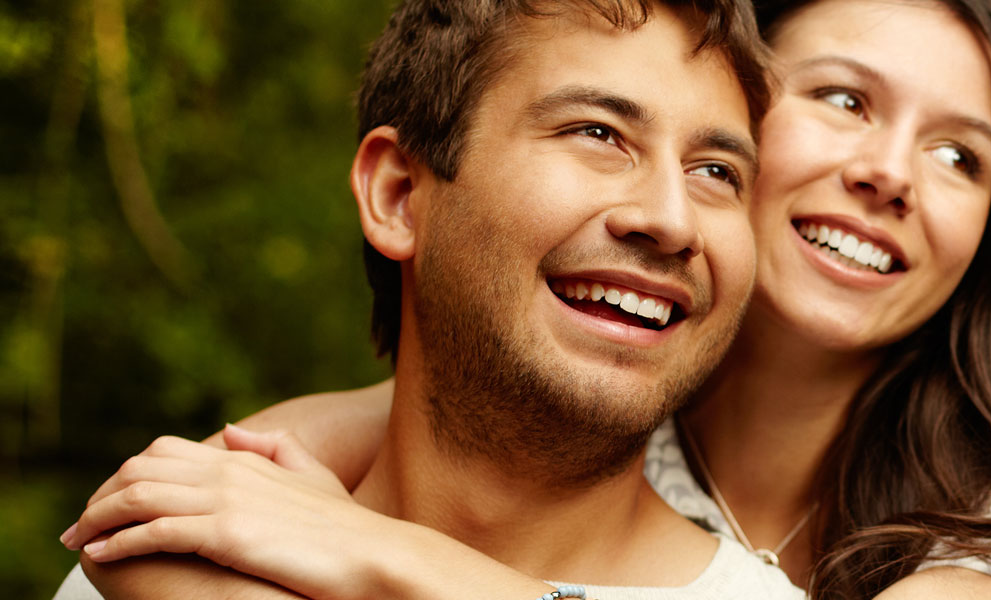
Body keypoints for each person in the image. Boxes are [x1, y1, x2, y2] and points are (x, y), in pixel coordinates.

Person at [64, 0, 991, 598]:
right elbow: (326, 435)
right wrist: (200, 511)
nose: (890, 173)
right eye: (842, 99)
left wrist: (386, 560)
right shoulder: (600, 382)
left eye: (960, 157)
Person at [53, 0, 803, 597]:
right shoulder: (162, 559)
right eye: (597, 132)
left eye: (716, 172)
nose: (671, 220)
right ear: (399, 196)